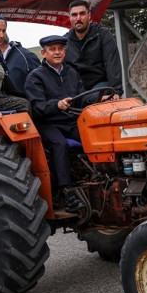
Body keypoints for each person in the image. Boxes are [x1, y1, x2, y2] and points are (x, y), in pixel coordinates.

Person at [24, 34, 87, 213]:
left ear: (64, 52)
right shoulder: (35, 77)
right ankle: (67, 192)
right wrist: (56, 105)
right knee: (59, 144)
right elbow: (36, 107)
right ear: (44, 53)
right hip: (47, 123)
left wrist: (101, 98)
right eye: (53, 49)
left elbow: (82, 97)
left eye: (60, 49)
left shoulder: (72, 73)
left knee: (93, 137)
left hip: (71, 120)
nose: (57, 52)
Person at [65, 0, 123, 98]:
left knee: (93, 99)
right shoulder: (65, 41)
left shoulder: (102, 34)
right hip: (76, 88)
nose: (78, 18)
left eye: (82, 14)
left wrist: (116, 91)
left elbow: (112, 63)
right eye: (74, 15)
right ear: (70, 17)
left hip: (101, 84)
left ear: (89, 15)